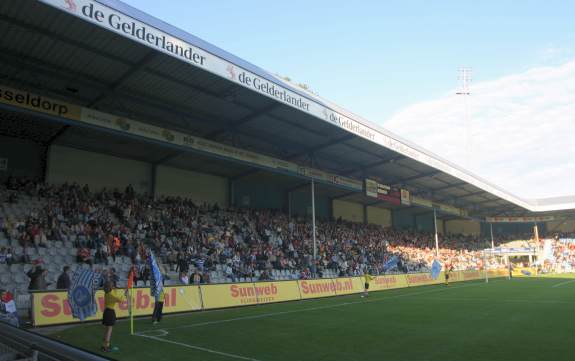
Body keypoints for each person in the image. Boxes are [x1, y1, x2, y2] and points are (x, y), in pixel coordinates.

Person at [101, 281, 127, 353]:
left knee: (107, 329)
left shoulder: (106, 293)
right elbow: (120, 300)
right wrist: (125, 294)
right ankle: (106, 347)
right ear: (111, 287)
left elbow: (114, 294)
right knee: (109, 330)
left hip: (106, 312)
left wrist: (115, 290)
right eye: (112, 286)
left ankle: (104, 345)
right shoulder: (111, 295)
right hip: (110, 312)